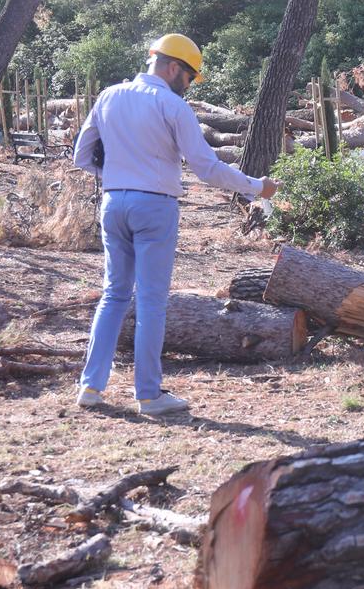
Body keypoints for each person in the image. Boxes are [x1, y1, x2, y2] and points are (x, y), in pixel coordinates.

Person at [72, 34, 278, 415]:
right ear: (172, 68)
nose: (189, 85)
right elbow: (207, 169)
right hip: (155, 206)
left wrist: (119, 173)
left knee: (113, 295)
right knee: (151, 301)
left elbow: (81, 156)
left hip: (113, 203)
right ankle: (149, 395)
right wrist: (256, 187)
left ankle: (91, 386)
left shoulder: (108, 96)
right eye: (189, 77)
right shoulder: (172, 106)